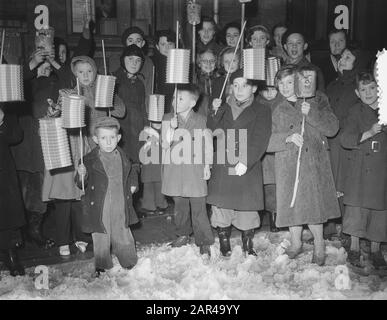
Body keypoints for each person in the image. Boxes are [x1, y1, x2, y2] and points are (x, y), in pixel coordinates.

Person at [267, 65, 340, 265]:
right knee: (292, 205)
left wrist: (312, 113)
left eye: (290, 82)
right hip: (287, 163)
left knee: (312, 205)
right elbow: (265, 139)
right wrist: (286, 138)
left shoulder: (317, 100)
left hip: (312, 163)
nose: (285, 87)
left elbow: (333, 128)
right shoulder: (275, 107)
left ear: (299, 81)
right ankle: (296, 242)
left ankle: (319, 244)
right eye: (280, 83)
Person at [207, 69, 272, 257]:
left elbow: (260, 139)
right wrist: (214, 112)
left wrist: (247, 161)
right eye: (235, 85)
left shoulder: (262, 110)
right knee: (221, 205)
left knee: (247, 206)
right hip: (224, 162)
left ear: (253, 88)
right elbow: (211, 130)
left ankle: (247, 242)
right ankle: (224, 241)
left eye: (244, 85)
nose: (239, 89)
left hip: (246, 164)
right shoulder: (224, 107)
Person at [76, 117, 139, 277]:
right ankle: (102, 265)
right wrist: (80, 174)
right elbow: (80, 184)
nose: (109, 142)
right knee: (101, 237)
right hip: (100, 207)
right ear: (96, 139)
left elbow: (132, 171)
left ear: (118, 138)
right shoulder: (88, 160)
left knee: (123, 232)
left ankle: (128, 261)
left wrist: (133, 184)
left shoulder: (124, 157)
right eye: (103, 138)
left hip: (120, 204)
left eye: (112, 137)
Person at [161, 84, 214, 257]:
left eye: (181, 98)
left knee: (199, 207)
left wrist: (207, 165)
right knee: (180, 207)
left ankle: (204, 240)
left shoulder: (201, 119)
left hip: (194, 170)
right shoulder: (168, 118)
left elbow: (207, 144)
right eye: (175, 97)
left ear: (192, 103)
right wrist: (171, 128)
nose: (175, 101)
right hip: (175, 171)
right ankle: (183, 234)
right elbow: (164, 144)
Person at [340, 72, 387, 270]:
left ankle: (376, 250)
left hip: (382, 169)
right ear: (357, 93)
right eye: (363, 90)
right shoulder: (355, 111)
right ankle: (354, 247)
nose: (368, 93)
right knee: (356, 211)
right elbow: (345, 139)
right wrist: (369, 132)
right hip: (360, 169)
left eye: (372, 88)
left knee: (380, 210)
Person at [325, 49, 359, 239]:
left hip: (348, 143)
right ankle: (330, 224)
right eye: (341, 58)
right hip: (331, 141)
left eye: (348, 58)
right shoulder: (333, 85)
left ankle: (348, 228)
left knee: (346, 182)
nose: (342, 60)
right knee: (331, 181)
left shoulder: (358, 85)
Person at [0, 106, 26, 276]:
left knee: (5, 209)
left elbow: (15, 136)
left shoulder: (6, 103)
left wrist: (2, 120)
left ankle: (10, 253)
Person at [114, 45, 146, 167]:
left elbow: (143, 108)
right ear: (123, 60)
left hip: (137, 130)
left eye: (138, 60)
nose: (134, 63)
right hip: (121, 130)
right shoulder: (114, 80)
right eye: (130, 59)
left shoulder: (139, 84)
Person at [109, 26, 154, 114]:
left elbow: (149, 91)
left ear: (143, 43)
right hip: (120, 109)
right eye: (130, 41)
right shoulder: (115, 60)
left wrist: (149, 114)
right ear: (125, 43)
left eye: (138, 41)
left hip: (141, 108)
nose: (134, 44)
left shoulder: (148, 62)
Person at [256, 85, 283, 232]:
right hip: (263, 154)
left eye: (273, 89)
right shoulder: (257, 104)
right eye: (266, 89)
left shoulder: (282, 103)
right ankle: (264, 218)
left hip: (278, 151)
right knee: (266, 188)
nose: (270, 93)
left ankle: (277, 218)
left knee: (277, 188)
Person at [139, 120, 168, 216]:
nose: (157, 124)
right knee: (148, 185)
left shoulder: (165, 131)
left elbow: (166, 144)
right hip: (148, 163)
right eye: (154, 122)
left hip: (159, 162)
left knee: (159, 184)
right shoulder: (145, 131)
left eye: (159, 122)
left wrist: (156, 134)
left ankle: (161, 204)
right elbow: (141, 146)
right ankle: (149, 206)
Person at [151, 29, 176, 113]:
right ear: (157, 46)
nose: (167, 47)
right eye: (163, 44)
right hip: (156, 105)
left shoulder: (179, 62)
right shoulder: (151, 63)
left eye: (170, 44)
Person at [194, 49, 219, 117]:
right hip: (198, 114)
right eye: (205, 61)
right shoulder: (194, 79)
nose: (208, 63)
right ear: (199, 63)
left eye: (212, 61)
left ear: (216, 64)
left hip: (215, 113)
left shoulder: (220, 78)